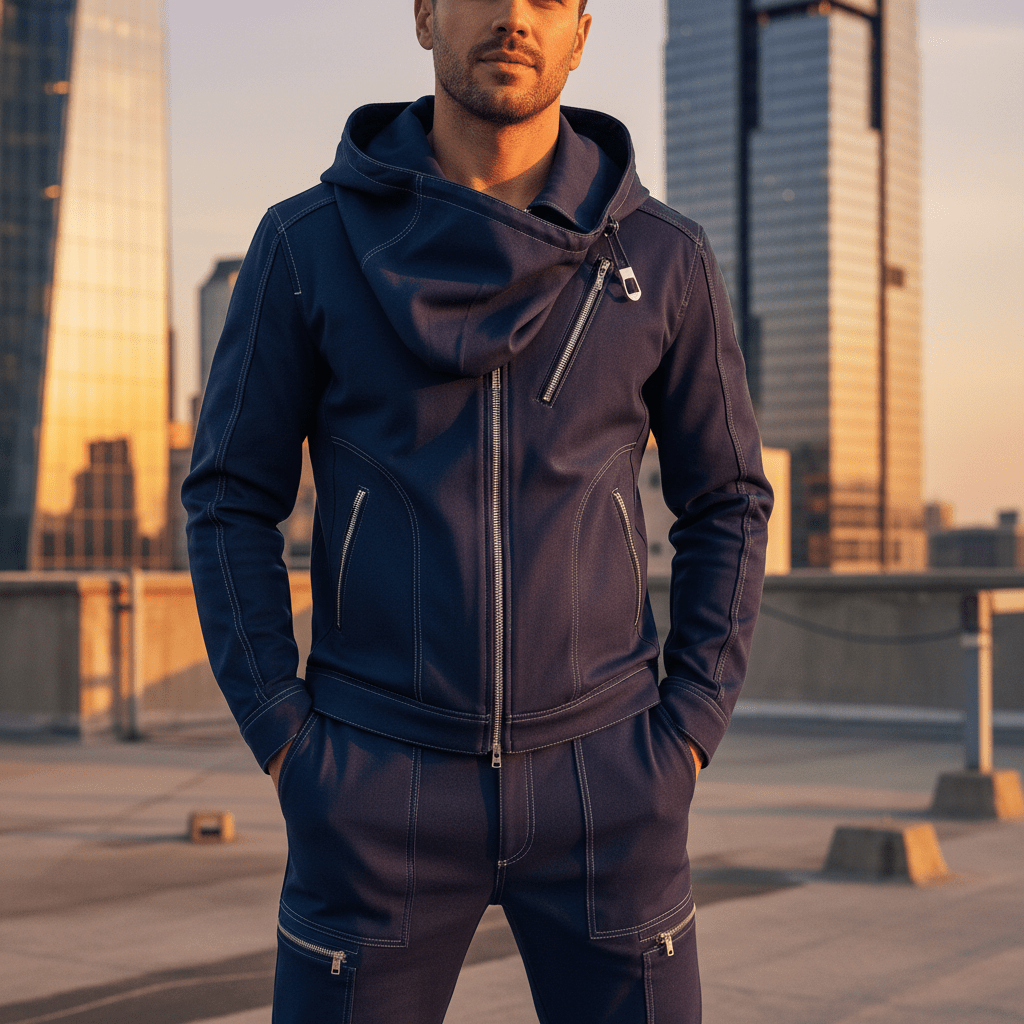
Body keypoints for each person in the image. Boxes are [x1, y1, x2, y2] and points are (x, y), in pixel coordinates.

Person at [183, 0, 772, 1020]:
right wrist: (287, 738)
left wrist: (684, 733)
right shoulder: (304, 244)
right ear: (423, 15)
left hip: (608, 777)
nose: (512, 16)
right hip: (373, 781)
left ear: (581, 33)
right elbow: (229, 498)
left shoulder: (664, 256)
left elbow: (729, 500)